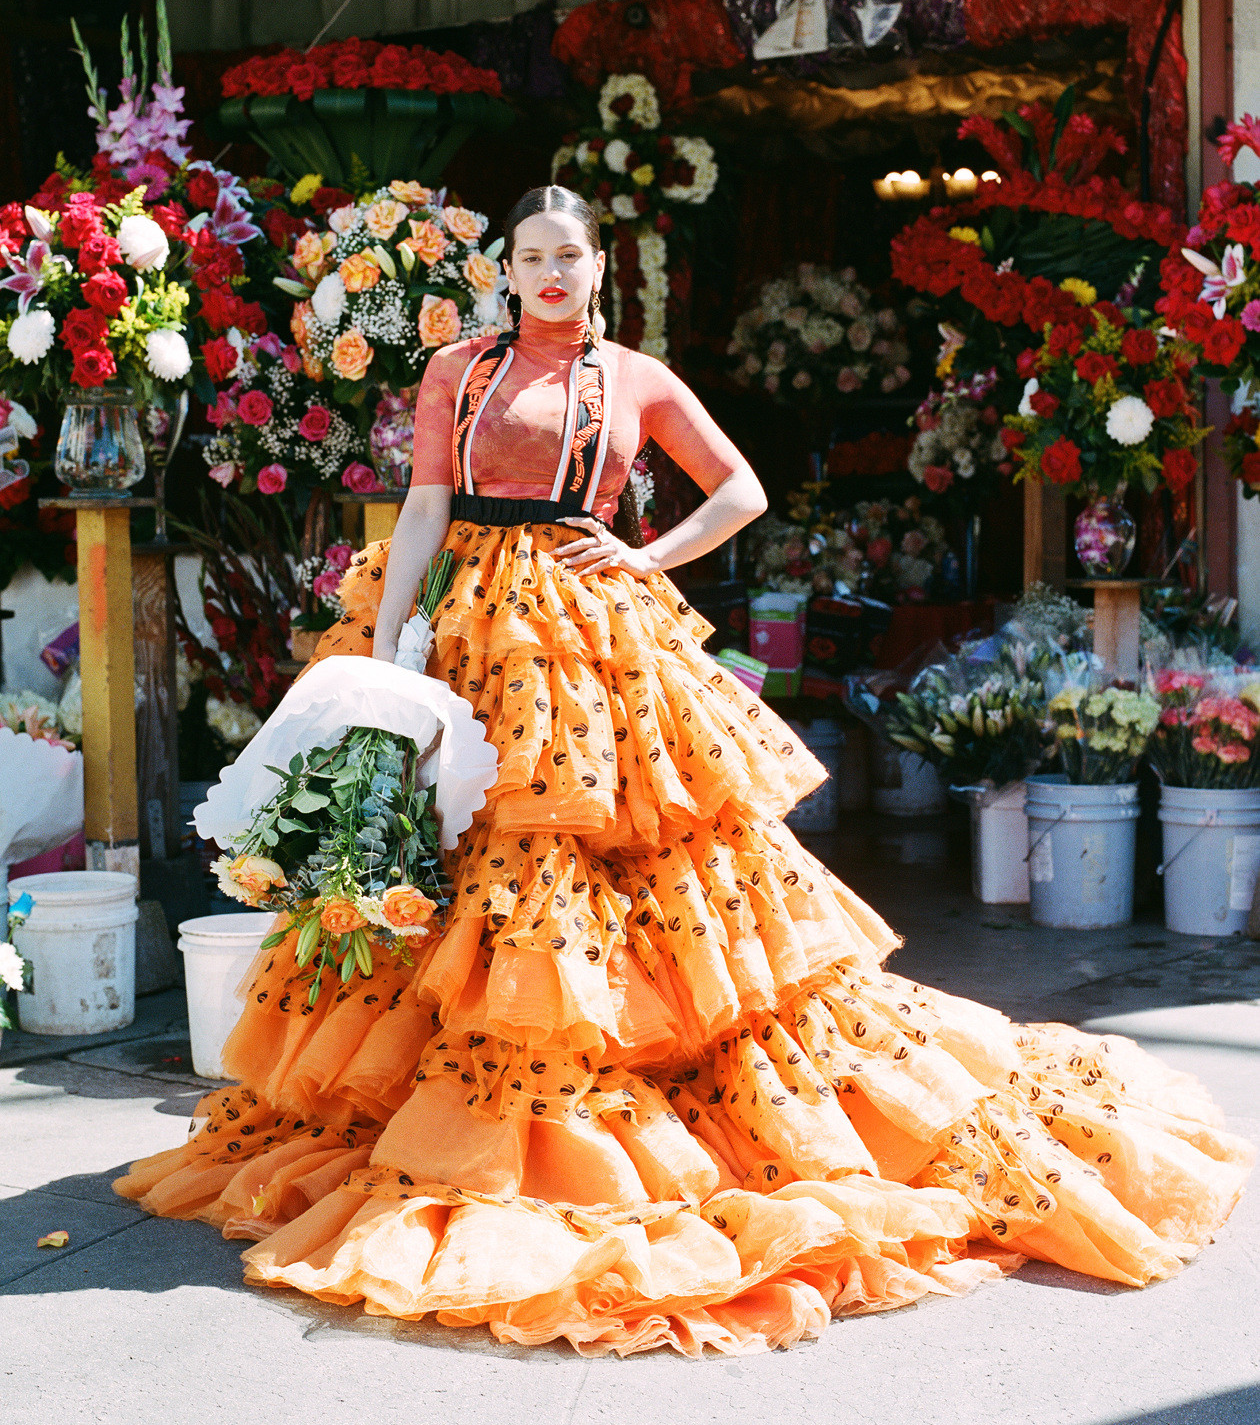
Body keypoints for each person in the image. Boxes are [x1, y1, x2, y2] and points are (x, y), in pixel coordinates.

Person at [118, 186, 1252, 1357]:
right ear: (506, 273)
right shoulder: (457, 369)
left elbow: (741, 492)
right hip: (467, 630)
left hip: (593, 637)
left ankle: (602, 1107)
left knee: (606, 854)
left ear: (598, 269)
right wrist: (391, 640)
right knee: (445, 855)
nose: (552, 274)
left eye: (571, 256)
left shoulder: (638, 377)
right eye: (532, 258)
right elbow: (423, 505)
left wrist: (645, 555)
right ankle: (450, 1120)